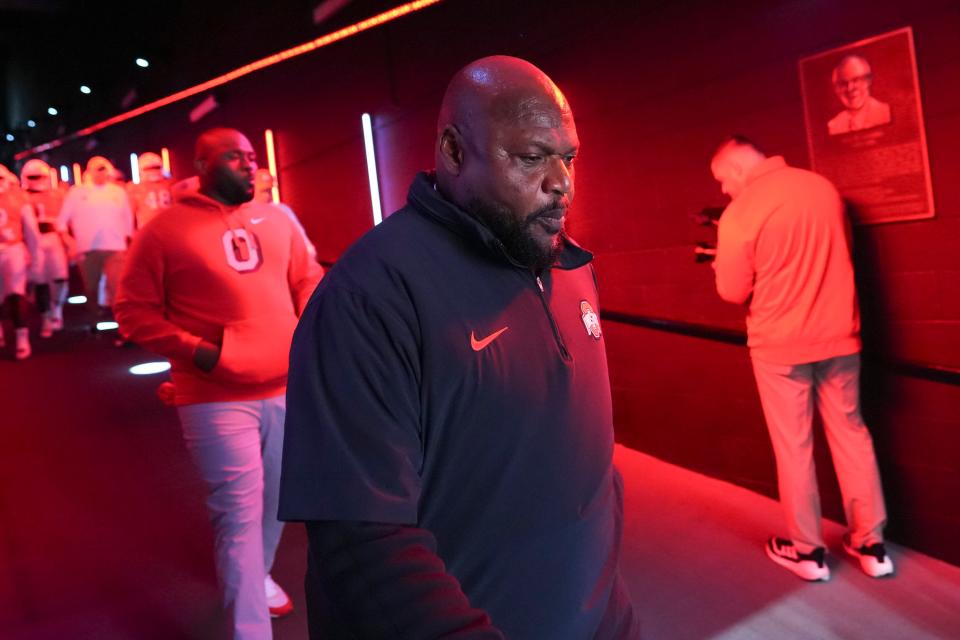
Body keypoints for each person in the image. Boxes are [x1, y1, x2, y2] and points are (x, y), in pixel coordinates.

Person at [280, 56, 639, 639]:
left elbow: (591, 474)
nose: (562, 182)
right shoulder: (368, 299)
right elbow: (364, 543)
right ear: (452, 150)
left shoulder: (570, 266)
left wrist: (612, 614)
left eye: (568, 157)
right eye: (531, 158)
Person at [115, 127, 322, 640]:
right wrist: (202, 353)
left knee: (279, 502)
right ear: (204, 166)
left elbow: (307, 279)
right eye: (235, 157)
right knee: (238, 512)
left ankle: (257, 575)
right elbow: (132, 311)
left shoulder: (279, 219)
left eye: (252, 157)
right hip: (213, 397)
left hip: (284, 386)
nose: (249, 165)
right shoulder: (163, 230)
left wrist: (309, 333)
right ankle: (250, 630)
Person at [710, 135, 893, 581]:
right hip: (840, 336)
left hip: (779, 346)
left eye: (721, 179)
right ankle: (871, 545)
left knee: (794, 447)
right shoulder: (822, 188)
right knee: (852, 433)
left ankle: (809, 554)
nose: (722, 190)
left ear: (736, 169)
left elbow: (731, 291)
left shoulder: (741, 210)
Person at [57, 156, 133, 320]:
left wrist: (129, 243)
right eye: (97, 169)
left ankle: (122, 326)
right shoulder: (77, 192)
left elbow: (127, 220)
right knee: (91, 288)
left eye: (103, 169)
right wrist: (70, 243)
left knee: (117, 288)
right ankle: (94, 321)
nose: (101, 173)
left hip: (115, 248)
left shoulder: (118, 192)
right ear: (90, 171)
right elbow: (61, 222)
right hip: (88, 250)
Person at [20, 159, 69, 336]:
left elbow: (66, 219)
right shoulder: (21, 196)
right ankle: (46, 316)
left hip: (53, 237)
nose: (37, 180)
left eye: (40, 176)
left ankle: (57, 309)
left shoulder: (58, 195)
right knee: (40, 280)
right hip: (34, 240)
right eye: (33, 177)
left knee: (60, 277)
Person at [0, 163, 42, 359]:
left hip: (13, 248)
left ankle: (21, 337)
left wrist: (36, 256)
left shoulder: (18, 199)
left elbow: (32, 231)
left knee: (16, 294)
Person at [252, 168, 318, 262]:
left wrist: (310, 255)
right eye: (264, 190)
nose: (268, 194)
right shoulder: (246, 213)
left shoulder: (283, 210)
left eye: (269, 190)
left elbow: (304, 241)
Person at [827, 55, 891, 135]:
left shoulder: (885, 113)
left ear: (868, 81)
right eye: (843, 83)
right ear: (836, 89)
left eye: (856, 80)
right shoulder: (834, 126)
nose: (850, 88)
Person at [127, 152, 175, 231]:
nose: (153, 171)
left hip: (167, 227)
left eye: (156, 167)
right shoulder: (171, 183)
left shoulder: (171, 184)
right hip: (149, 229)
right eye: (149, 168)